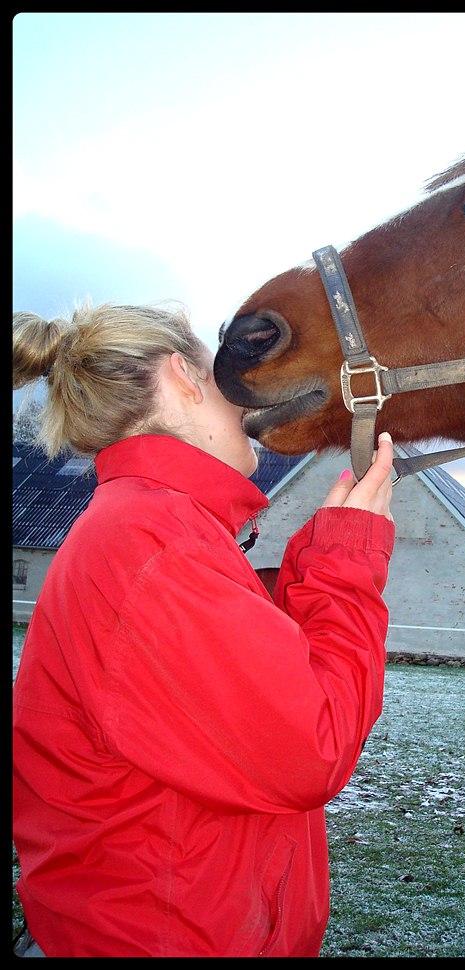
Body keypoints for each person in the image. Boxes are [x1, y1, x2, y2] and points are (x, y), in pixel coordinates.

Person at [12, 303, 395, 958]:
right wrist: (343, 568)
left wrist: (313, 566)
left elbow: (250, 700)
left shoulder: (161, 531)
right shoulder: (151, 544)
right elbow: (311, 749)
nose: (247, 403)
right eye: (228, 380)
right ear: (183, 379)